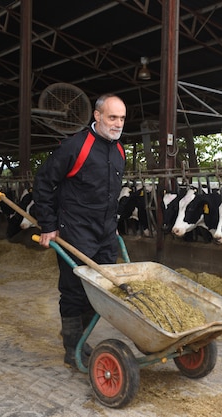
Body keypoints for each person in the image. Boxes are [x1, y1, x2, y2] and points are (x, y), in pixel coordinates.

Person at [33, 93, 127, 368]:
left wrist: (114, 226)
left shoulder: (119, 151)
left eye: (121, 118)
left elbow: (110, 194)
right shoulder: (76, 146)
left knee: (102, 290)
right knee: (74, 291)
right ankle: (72, 348)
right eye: (112, 117)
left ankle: (77, 334)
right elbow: (43, 182)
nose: (118, 123)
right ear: (97, 116)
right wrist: (49, 225)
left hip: (106, 234)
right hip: (75, 231)